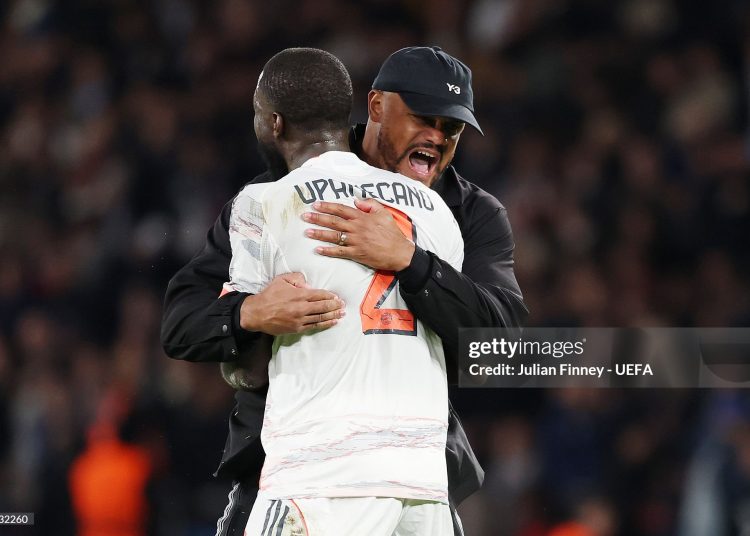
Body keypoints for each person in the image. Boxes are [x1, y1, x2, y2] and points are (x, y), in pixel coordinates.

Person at [161, 46, 528, 536]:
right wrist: (247, 312)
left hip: (409, 464)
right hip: (292, 454)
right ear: (375, 107)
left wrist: (410, 263)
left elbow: (501, 350)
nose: (436, 138)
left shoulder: (468, 211)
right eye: (424, 119)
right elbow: (182, 319)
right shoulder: (282, 190)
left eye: (452, 128)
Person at [226, 46, 463, 535]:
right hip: (424, 482)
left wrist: (252, 316)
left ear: (274, 123)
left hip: (321, 477)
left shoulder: (265, 202)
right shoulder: (435, 209)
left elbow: (247, 368)